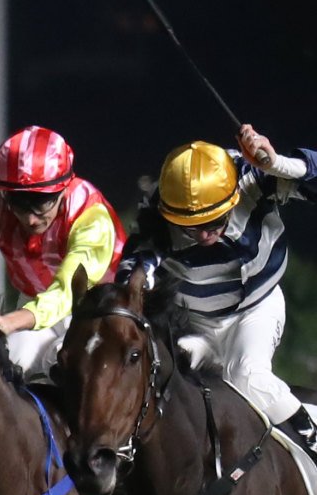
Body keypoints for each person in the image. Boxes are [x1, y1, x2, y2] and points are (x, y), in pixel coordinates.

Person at [124, 124, 317, 451]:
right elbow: (134, 268)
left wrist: (277, 164)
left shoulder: (251, 176)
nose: (203, 235)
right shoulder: (157, 214)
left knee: (246, 376)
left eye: (213, 221)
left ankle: (311, 439)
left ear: (233, 198)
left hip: (257, 308)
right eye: (190, 226)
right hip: (195, 323)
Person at [0, 125, 125, 377]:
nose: (31, 220)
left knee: (73, 370)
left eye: (41, 202)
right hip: (34, 305)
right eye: (19, 204)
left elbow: (67, 292)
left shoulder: (90, 216)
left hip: (98, 311)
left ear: (65, 186)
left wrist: (12, 320)